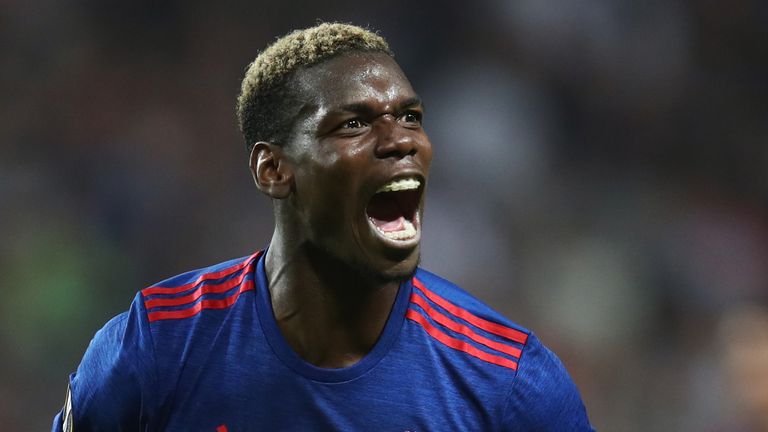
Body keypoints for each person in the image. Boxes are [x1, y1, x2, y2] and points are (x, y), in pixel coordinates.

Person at [52, 23, 593, 431]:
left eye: (410, 117)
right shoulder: (158, 345)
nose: (401, 139)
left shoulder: (508, 383)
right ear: (274, 169)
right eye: (354, 123)